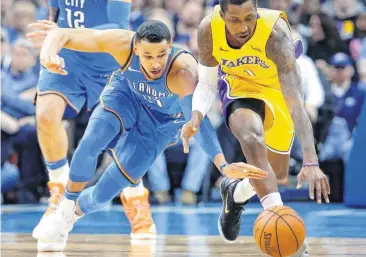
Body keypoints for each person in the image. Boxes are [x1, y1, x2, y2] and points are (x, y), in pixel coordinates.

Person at [28, 20, 268, 252]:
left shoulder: (183, 72)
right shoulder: (121, 43)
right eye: (148, 56)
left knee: (102, 196)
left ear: (170, 46)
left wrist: (223, 165)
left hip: (160, 126)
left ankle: (72, 217)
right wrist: (48, 54)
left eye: (162, 54)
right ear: (136, 49)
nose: (156, 63)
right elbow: (62, 34)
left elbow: (200, 124)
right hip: (126, 97)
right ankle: (64, 209)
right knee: (91, 141)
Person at [180, 0, 331, 255]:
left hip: (278, 92)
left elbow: (296, 105)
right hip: (239, 87)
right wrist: (197, 115)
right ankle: (288, 238)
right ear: (222, 13)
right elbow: (206, 83)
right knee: (251, 136)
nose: (243, 27)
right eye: (235, 20)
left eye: (250, 18)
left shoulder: (276, 35)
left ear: (257, 11)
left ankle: (235, 192)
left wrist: (310, 160)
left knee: (276, 176)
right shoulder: (209, 28)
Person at [30, 0, 159, 242]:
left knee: (120, 140)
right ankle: (58, 190)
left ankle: (136, 197)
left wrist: (65, 34)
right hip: (68, 58)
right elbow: (56, 14)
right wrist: (51, 39)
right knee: (46, 115)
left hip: (108, 59)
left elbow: (119, 28)